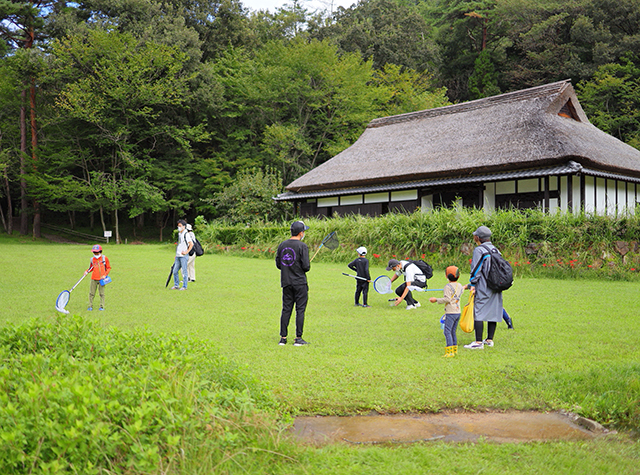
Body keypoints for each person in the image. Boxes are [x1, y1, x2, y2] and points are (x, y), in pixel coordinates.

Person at [464, 225, 504, 349]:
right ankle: (489, 340)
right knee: (493, 311)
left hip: (483, 285)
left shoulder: (479, 250)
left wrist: (472, 284)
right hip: (497, 285)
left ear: (478, 237)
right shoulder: (496, 250)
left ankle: (477, 342)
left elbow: (476, 269)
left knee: (479, 312)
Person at [276, 220, 311, 346]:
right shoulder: (302, 246)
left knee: (286, 309)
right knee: (300, 310)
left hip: (286, 282)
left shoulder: (282, 245)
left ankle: (283, 338)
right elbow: (306, 267)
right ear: (301, 233)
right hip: (300, 283)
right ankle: (298, 338)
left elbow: (279, 264)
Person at [429, 266, 465, 357]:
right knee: (453, 331)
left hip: (451, 312)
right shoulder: (459, 285)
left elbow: (447, 299)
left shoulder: (447, 287)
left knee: (447, 331)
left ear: (446, 276)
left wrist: (436, 300)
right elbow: (462, 290)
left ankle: (449, 351)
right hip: (458, 312)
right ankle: (454, 349)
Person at [86, 244, 111, 311]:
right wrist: (86, 272)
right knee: (91, 293)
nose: (95, 254)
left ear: (100, 252)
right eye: (94, 252)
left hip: (102, 279)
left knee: (102, 293)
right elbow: (91, 268)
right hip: (93, 279)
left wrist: (104, 275)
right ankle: (90, 306)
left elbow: (108, 268)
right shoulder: (92, 259)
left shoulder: (104, 258)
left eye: (97, 252)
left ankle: (102, 306)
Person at [172, 219, 193, 290]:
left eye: (180, 226)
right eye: (178, 226)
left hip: (183, 256)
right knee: (174, 271)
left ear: (184, 226)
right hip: (178, 256)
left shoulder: (186, 234)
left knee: (184, 271)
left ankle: (184, 286)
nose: (179, 227)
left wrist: (186, 252)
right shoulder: (179, 234)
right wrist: (176, 254)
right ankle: (176, 285)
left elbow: (191, 244)